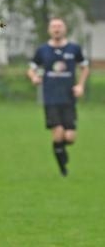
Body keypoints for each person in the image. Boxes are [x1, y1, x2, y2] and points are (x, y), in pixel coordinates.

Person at [27, 17, 90, 176]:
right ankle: (63, 168)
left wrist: (80, 85)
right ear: (49, 30)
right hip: (51, 99)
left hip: (69, 99)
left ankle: (60, 150)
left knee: (70, 137)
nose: (57, 29)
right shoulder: (42, 50)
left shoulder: (74, 49)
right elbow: (31, 69)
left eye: (59, 26)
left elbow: (85, 68)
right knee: (58, 132)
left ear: (65, 29)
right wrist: (34, 78)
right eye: (54, 26)